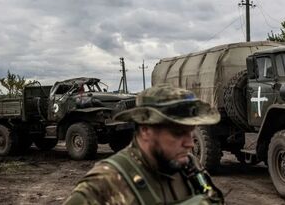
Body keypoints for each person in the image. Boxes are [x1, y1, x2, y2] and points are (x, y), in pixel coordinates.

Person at [63, 84, 225, 205]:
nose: (190, 143)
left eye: (191, 132)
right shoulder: (104, 185)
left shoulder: (190, 167)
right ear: (146, 130)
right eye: (178, 133)